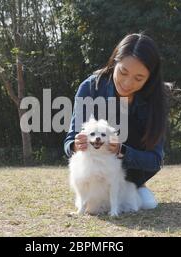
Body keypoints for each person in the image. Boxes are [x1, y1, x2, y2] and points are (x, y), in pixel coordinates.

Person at [63, 33, 169, 209]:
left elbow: (155, 160)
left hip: (133, 175)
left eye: (139, 78)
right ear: (114, 62)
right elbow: (69, 142)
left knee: (148, 204)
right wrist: (76, 144)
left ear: (149, 78)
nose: (127, 83)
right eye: (123, 72)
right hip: (94, 174)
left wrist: (122, 151)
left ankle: (135, 187)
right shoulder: (90, 88)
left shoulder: (155, 101)